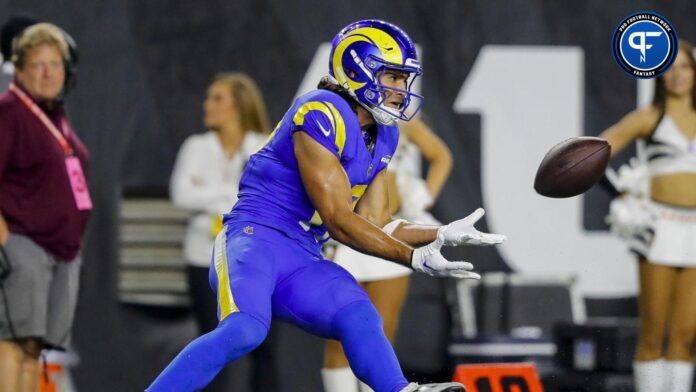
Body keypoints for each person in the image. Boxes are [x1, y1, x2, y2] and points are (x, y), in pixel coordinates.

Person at [148, 19, 505, 392]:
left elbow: (377, 222)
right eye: (394, 77)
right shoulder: (322, 112)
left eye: (404, 79)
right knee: (245, 329)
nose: (402, 89)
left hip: (303, 253)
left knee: (358, 312)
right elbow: (338, 220)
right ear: (357, 70)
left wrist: (439, 233)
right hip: (255, 239)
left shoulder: (385, 133)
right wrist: (412, 258)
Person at [324, 115, 453, 392]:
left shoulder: (400, 120)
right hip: (346, 236)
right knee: (339, 339)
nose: (397, 88)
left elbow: (441, 156)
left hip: (387, 238)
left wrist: (423, 197)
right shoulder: (336, 116)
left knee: (381, 336)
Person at [170, 72, 275, 391]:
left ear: (237, 106)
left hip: (256, 261)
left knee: (263, 346)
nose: (207, 104)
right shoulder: (195, 146)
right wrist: (230, 196)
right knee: (211, 345)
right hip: (204, 259)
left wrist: (212, 195)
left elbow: (269, 199)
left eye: (217, 98)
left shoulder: (266, 146)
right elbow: (180, 194)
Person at [601, 41, 696, 392]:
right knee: (654, 331)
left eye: (685, 67)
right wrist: (623, 195)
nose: (678, 75)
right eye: (671, 68)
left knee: (686, 334)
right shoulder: (649, 117)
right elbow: (594, 152)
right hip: (659, 228)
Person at [0, 23, 90, 392]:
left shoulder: (54, 115)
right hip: (25, 244)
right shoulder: (10, 111)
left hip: (60, 250)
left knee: (33, 348)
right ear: (19, 70)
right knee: (12, 344)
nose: (48, 72)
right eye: (38, 64)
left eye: (55, 63)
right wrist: (5, 240)